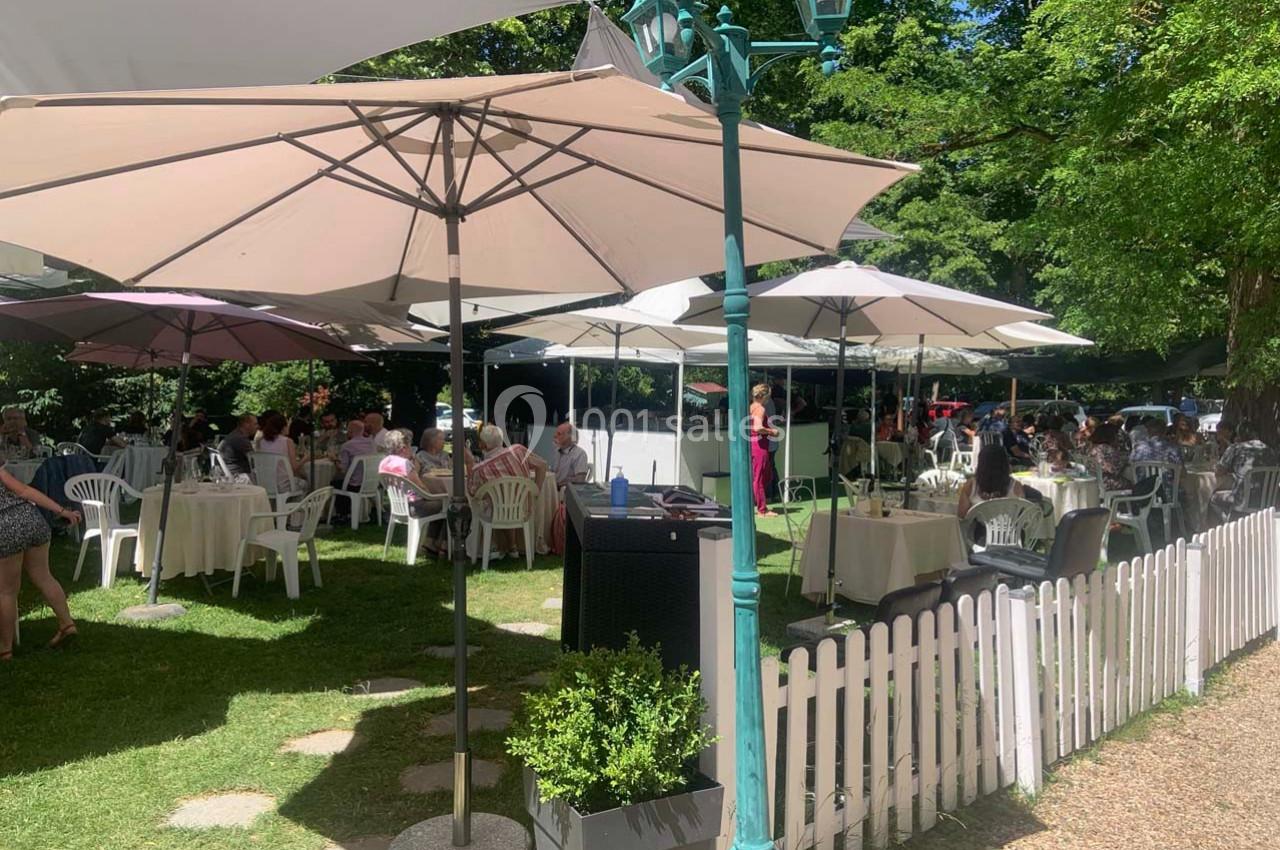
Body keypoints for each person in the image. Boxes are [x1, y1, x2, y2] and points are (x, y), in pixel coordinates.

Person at [0, 459, 82, 660]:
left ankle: (5, 649)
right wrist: (62, 511)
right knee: (44, 576)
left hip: (4, 525)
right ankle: (66, 623)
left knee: (7, 591)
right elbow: (25, 491)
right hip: (30, 518)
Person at [467, 424, 548, 558]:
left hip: (496, 513)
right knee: (504, 500)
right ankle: (512, 547)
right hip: (523, 509)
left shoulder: (480, 469)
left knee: (488, 503)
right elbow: (543, 465)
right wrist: (536, 492)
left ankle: (491, 546)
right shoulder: (518, 450)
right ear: (501, 440)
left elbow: (472, 492)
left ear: (483, 445)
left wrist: (469, 464)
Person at [379, 428, 448, 554]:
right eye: (410, 446)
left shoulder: (384, 462)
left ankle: (430, 542)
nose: (411, 449)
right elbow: (420, 487)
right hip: (414, 506)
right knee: (448, 505)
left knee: (440, 504)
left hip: (397, 505)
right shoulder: (405, 464)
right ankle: (442, 544)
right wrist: (432, 494)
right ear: (403, 448)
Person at [1210, 422, 1277, 521]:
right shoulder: (1270, 450)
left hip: (1242, 499)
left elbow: (1219, 471)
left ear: (1240, 435)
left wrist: (1213, 465)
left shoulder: (1236, 448)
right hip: (1267, 500)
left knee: (1214, 498)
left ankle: (1228, 522)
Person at [957, 444, 1026, 519]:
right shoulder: (1015, 486)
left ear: (981, 463)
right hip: (1010, 529)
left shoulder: (971, 485)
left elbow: (962, 515)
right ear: (1005, 463)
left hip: (978, 529)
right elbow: (1022, 513)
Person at [256, 411, 307, 492]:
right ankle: (295, 504)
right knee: (305, 483)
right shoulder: (287, 441)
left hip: (264, 483)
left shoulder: (260, 441)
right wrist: (306, 458)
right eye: (287, 425)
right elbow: (294, 468)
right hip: (283, 485)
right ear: (283, 427)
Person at [749, 384, 779, 517]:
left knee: (766, 475)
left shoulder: (751, 407)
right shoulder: (760, 409)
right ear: (764, 396)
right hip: (759, 446)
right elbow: (757, 428)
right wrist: (772, 431)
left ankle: (758, 503)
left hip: (755, 444)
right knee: (760, 478)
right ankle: (762, 509)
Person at [1087, 423, 1131, 493]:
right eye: (1116, 434)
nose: (1118, 437)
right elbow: (1114, 469)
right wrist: (1125, 459)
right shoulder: (1106, 448)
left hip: (1095, 481)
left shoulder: (1092, 447)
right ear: (1111, 435)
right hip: (1106, 482)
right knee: (1134, 484)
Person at [551, 422, 589, 488]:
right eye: (555, 433)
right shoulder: (557, 451)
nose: (555, 436)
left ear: (571, 437)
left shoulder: (580, 454)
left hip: (567, 491)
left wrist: (559, 485)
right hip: (555, 488)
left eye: (559, 434)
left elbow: (580, 480)